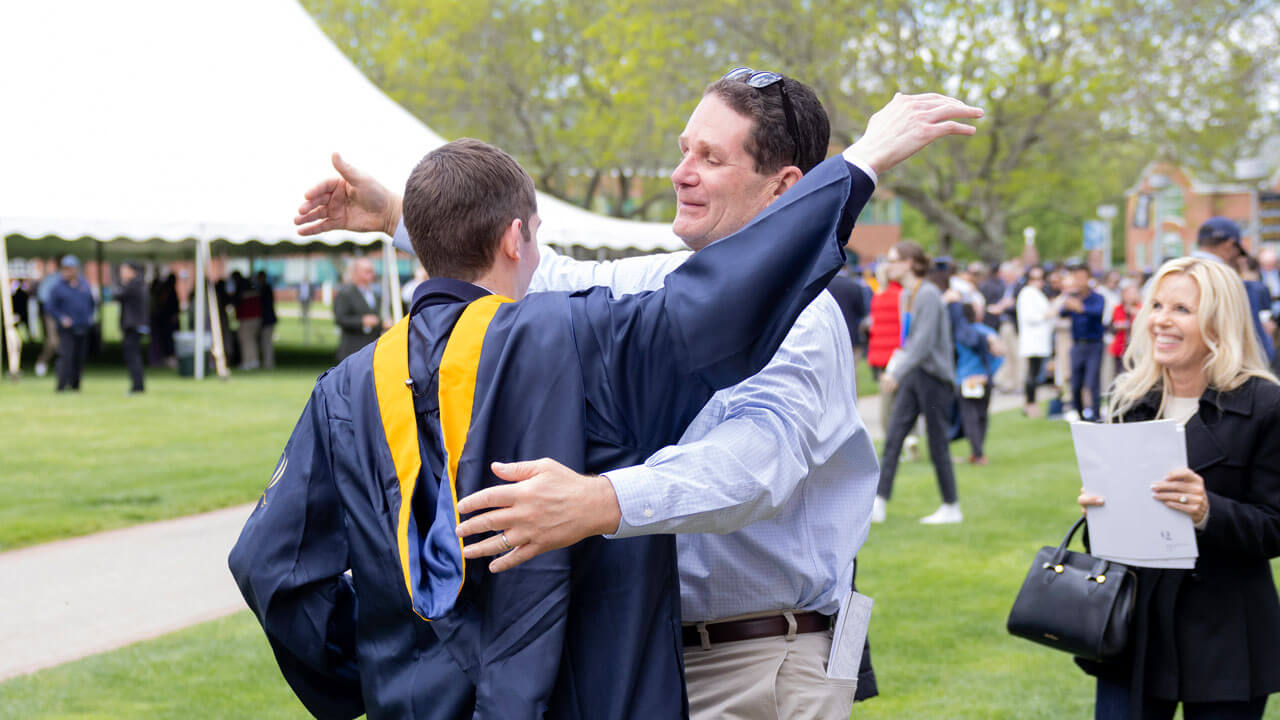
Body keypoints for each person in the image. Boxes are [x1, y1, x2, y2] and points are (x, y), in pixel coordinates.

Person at [293, 86, 982, 718]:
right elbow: (540, 271)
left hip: (754, 661)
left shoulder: (800, 316)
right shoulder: (664, 276)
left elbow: (758, 462)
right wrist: (398, 216)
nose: (682, 172)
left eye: (710, 158)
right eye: (684, 150)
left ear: (784, 188)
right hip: (662, 661)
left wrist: (601, 502)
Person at [1077, 256, 1280, 719]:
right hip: (1134, 629)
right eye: (1156, 306)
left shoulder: (1266, 405)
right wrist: (1099, 514)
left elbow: (1274, 527)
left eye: (1182, 310)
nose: (1161, 321)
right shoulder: (1128, 399)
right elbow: (1111, 543)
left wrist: (1208, 511)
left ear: (1218, 322)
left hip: (1228, 634)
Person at [874, 241, 960, 524]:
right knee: (894, 437)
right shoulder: (905, 296)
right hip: (914, 373)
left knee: (937, 444)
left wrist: (895, 373)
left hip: (934, 377)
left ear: (910, 262)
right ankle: (879, 501)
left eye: (894, 260)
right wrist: (897, 368)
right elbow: (908, 342)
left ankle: (951, 506)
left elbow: (922, 344)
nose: (889, 266)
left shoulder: (929, 294)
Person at [1191, 217, 1275, 363]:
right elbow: (1261, 351)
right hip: (1225, 372)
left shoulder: (1167, 276)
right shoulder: (1238, 286)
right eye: (1238, 253)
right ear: (1230, 245)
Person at [948, 296, 1003, 464]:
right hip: (982, 379)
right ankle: (978, 452)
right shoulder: (985, 332)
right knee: (980, 416)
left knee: (969, 416)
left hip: (964, 378)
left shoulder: (958, 333)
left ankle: (977, 453)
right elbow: (1000, 353)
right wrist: (988, 374)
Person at [1056, 263, 1106, 421]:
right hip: (1077, 345)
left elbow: (1097, 312)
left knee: (1092, 383)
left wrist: (1080, 308)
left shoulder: (1097, 298)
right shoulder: (1073, 298)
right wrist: (1068, 303)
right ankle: (1080, 416)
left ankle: (1096, 415)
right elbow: (1062, 313)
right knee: (1075, 383)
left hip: (1094, 344)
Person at [46, 255, 95, 392]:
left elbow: (91, 303)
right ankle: (61, 386)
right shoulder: (58, 287)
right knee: (66, 357)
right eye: (65, 269)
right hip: (67, 329)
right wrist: (62, 318)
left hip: (82, 327)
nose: (67, 272)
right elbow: (50, 307)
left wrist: (89, 318)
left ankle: (76, 385)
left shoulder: (84, 284)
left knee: (79, 358)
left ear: (76, 270)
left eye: (70, 269)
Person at [1017, 265, 1053, 416]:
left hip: (1039, 339)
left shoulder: (1037, 293)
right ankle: (1030, 404)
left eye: (1040, 278)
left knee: (1035, 372)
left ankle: (1031, 403)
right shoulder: (1027, 293)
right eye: (1034, 278)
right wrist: (1047, 315)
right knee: (1032, 373)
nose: (1038, 282)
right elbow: (1029, 317)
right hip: (1033, 339)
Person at [332, 257, 381, 361]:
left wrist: (381, 322)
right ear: (356, 273)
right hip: (352, 350)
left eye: (372, 271)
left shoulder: (375, 294)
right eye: (367, 271)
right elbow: (340, 319)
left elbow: (376, 317)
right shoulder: (346, 293)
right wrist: (361, 321)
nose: (371, 274)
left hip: (371, 349)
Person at [117, 261, 148, 393]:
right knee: (134, 355)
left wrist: (123, 283)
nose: (122, 273)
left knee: (132, 356)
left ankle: (137, 386)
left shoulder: (134, 284)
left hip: (133, 325)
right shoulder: (139, 283)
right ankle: (137, 385)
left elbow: (118, 295)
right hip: (136, 324)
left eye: (124, 270)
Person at [1108, 283, 1141, 378]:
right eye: (1128, 293)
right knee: (1119, 375)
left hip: (1137, 349)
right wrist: (1117, 326)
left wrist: (1134, 314)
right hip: (1120, 347)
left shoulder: (1141, 308)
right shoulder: (1118, 308)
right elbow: (1110, 328)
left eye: (1133, 293)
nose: (1131, 296)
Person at [34, 263, 60, 377]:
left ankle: (63, 367)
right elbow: (42, 297)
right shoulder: (52, 279)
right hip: (52, 313)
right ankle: (42, 362)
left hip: (67, 314)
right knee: (53, 341)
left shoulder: (74, 280)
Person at [255, 270, 277, 369]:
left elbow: (265, 305)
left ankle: (268, 363)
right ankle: (267, 362)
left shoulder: (265, 288)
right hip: (268, 319)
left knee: (266, 342)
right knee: (265, 342)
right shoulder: (265, 288)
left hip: (267, 320)